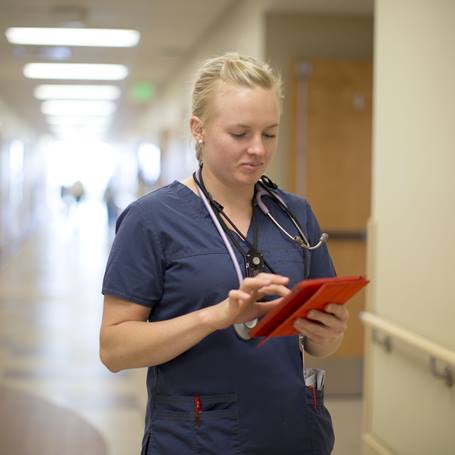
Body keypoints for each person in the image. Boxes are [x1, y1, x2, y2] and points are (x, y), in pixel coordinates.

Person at [100, 52, 349, 455]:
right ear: (198, 129)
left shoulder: (295, 215)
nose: (258, 149)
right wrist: (216, 316)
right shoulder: (151, 220)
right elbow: (113, 349)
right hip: (197, 437)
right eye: (239, 133)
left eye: (269, 134)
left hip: (291, 431)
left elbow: (319, 345)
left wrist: (329, 334)